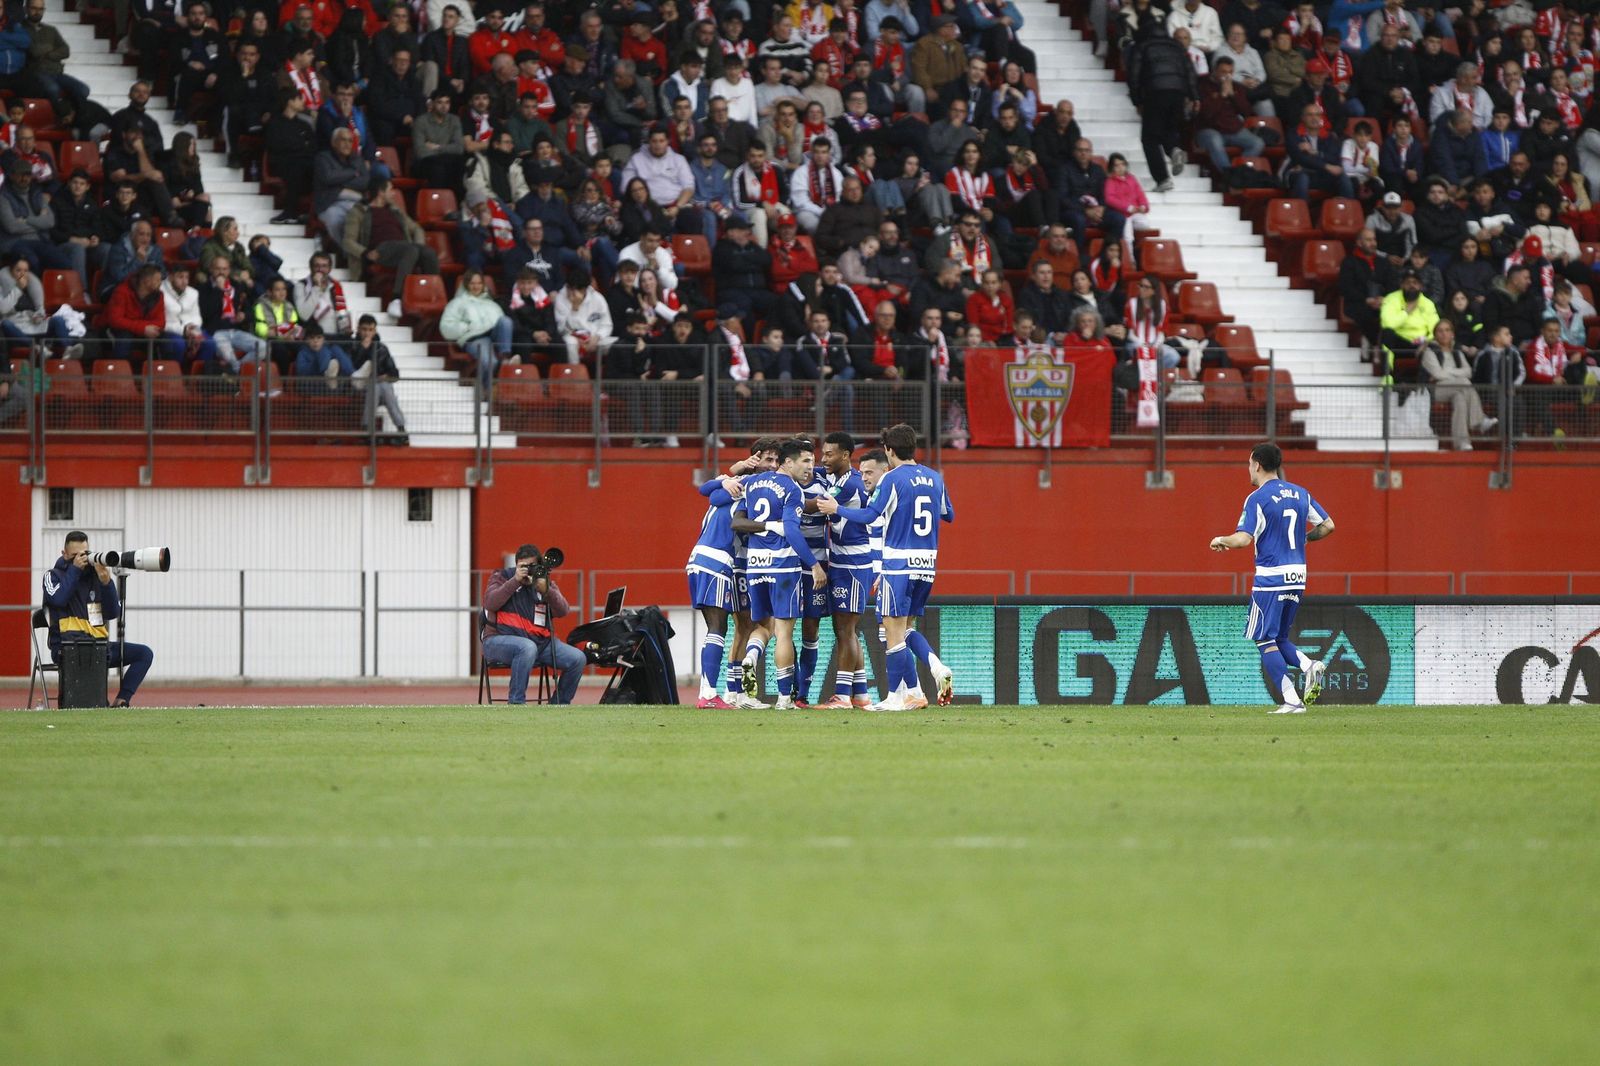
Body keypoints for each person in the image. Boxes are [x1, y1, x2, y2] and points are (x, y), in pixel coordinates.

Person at [815, 422, 954, 711]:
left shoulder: (892, 478)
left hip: (898, 564)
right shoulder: (935, 478)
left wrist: (837, 509)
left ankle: (895, 696)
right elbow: (948, 514)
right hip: (927, 564)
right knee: (905, 628)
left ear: (889, 450)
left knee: (891, 630)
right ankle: (924, 681)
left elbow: (869, 515)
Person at [1207, 442, 1335, 714]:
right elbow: (1328, 525)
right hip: (1298, 576)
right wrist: (1304, 539)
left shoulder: (1257, 498)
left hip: (1271, 578)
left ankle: (1292, 700)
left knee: (1264, 639)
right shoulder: (1301, 493)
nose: (1248, 469)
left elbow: (1243, 539)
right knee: (1279, 638)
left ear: (1257, 464)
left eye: (1249, 464)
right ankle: (1308, 666)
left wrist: (1221, 539)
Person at [730, 438, 825, 710]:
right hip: (783, 566)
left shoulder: (751, 482)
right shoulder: (792, 489)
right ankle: (784, 698)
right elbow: (792, 530)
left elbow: (737, 520)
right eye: (804, 461)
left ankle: (750, 657)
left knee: (762, 626)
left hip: (755, 565)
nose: (809, 467)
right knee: (784, 632)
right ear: (788, 462)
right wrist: (813, 564)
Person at [43, 531, 155, 707]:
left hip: (99, 647)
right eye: (74, 555)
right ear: (64, 554)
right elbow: (58, 599)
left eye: (84, 554)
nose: (80, 559)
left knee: (144, 654)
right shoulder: (53, 576)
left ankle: (121, 701)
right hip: (66, 647)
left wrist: (106, 582)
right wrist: (74, 570)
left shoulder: (95, 577)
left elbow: (112, 613)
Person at [481, 544, 587, 705]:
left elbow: (563, 611)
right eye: (524, 566)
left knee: (578, 658)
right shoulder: (502, 576)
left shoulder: (542, 581)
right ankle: (516, 703)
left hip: (540, 644)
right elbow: (490, 603)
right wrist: (515, 581)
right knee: (526, 647)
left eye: (532, 566)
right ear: (516, 565)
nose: (528, 570)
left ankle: (559, 704)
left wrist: (546, 591)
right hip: (498, 640)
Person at [815, 431, 873, 708]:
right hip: (841, 561)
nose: (823, 459)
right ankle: (860, 694)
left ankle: (841, 695)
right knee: (848, 630)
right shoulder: (839, 478)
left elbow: (818, 505)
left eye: (829, 454)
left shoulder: (850, 483)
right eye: (822, 453)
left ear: (846, 455)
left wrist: (787, 497)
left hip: (853, 564)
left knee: (845, 629)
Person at [1128, 24, 1197, 193]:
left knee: (1149, 138)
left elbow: (1134, 75)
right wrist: (1194, 96)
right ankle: (1174, 150)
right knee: (1169, 129)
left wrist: (1137, 101)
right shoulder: (1177, 46)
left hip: (1155, 92)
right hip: (1178, 93)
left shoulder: (1142, 46)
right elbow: (1190, 71)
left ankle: (1162, 179)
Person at [1418, 319, 1495, 450]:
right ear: (1435, 335)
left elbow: (1468, 372)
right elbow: (1438, 375)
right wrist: (1458, 374)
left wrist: (1447, 371)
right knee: (1464, 382)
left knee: (1460, 400)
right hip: (1436, 389)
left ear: (1452, 334)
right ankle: (1479, 421)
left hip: (1456, 388)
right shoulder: (1429, 352)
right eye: (1440, 331)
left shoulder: (1457, 352)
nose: (1444, 334)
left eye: (1447, 330)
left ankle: (1462, 443)